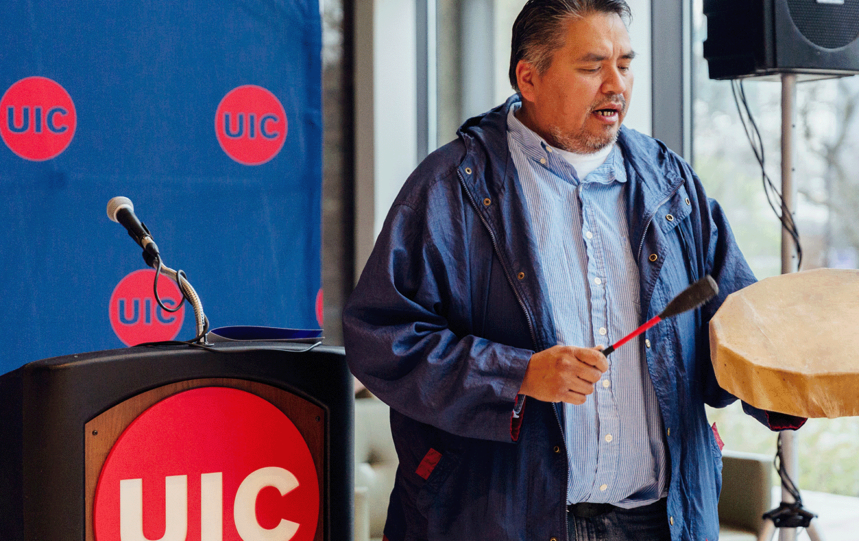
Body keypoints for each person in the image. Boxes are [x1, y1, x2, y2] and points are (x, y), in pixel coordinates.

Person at [343, 1, 804, 539]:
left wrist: (788, 389)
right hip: (500, 521)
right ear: (529, 77)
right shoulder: (451, 186)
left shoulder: (672, 183)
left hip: (661, 521)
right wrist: (518, 374)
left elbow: (738, 327)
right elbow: (382, 339)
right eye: (592, 66)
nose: (616, 85)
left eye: (626, 64)